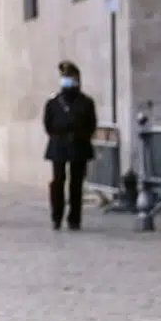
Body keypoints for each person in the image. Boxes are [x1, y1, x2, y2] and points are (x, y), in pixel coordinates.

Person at [42, 60, 98, 231]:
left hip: (79, 145)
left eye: (70, 77)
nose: (67, 80)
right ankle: (56, 216)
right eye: (64, 77)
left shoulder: (86, 102)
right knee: (58, 181)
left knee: (76, 183)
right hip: (59, 145)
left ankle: (75, 218)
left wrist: (79, 136)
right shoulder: (53, 102)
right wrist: (60, 137)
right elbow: (48, 124)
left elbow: (91, 124)